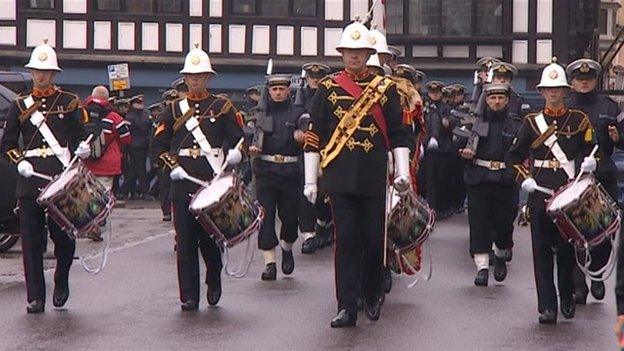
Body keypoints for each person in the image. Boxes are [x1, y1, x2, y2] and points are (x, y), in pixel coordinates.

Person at [302, 20, 412, 327]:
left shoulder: (386, 90)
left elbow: (399, 134)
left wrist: (402, 174)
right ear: (341, 54)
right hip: (339, 177)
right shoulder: (326, 88)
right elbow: (315, 135)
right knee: (347, 239)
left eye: (360, 51)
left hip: (374, 176)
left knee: (375, 240)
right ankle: (346, 305)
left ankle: (372, 293)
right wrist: (311, 180)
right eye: (349, 52)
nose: (354, 57)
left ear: (368, 53)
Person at [0, 41, 91, 313]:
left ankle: (61, 279)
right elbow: (7, 144)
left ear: (54, 74)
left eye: (46, 71)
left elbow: (80, 136)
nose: (40, 76)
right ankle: (35, 297)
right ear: (31, 73)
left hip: (59, 177)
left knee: (63, 237)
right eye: (36, 71)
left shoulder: (69, 102)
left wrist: (83, 149)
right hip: (30, 179)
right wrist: (19, 162)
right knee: (30, 240)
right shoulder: (19, 105)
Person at [151, 45, 244, 311]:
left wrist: (237, 154)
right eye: (190, 75)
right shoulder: (173, 109)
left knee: (210, 240)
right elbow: (157, 146)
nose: (194, 80)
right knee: (186, 242)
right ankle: (189, 296)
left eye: (200, 75)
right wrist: (172, 166)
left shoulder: (222, 106)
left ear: (208, 78)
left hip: (211, 181)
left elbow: (240, 140)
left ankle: (213, 277)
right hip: (182, 182)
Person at [505, 58, 596, 324]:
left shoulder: (579, 120)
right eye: (549, 88)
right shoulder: (531, 122)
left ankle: (566, 295)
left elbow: (593, 150)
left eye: (558, 89)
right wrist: (524, 178)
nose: (553, 93)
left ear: (566, 91)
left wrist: (591, 163)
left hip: (568, 196)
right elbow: (513, 157)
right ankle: (547, 306)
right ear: (542, 91)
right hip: (540, 194)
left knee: (567, 253)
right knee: (541, 252)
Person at [565, 58, 623, 304]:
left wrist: (618, 138)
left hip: (602, 175)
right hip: (575, 175)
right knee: (575, 233)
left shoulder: (609, 107)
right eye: (580, 79)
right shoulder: (566, 107)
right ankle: (579, 285)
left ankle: (597, 272)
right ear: (573, 82)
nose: (584, 82)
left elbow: (622, 142)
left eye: (588, 79)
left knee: (603, 230)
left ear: (595, 80)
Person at [455, 84, 522, 286]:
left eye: (501, 98)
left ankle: (500, 254)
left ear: (507, 100)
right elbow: (458, 146)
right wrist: (465, 154)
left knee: (503, 225)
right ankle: (482, 267)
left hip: (504, 180)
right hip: (480, 179)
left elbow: (522, 152)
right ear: (487, 100)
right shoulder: (473, 123)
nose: (496, 102)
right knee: (479, 224)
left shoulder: (516, 125)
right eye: (492, 98)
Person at [249, 74, 304, 279]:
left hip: (289, 173)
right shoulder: (261, 113)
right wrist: (252, 147)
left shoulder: (297, 112)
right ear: (269, 91)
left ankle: (287, 248)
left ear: (288, 90)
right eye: (274, 89)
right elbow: (252, 136)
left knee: (290, 219)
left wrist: (302, 134)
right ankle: (269, 262)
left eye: (282, 89)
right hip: (266, 173)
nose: (278, 93)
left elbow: (305, 124)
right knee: (265, 217)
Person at [83, 86, 132, 239]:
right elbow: (126, 138)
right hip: (108, 164)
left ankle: (88, 223)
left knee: (89, 194)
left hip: (86, 162)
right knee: (103, 194)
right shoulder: (113, 117)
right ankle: (97, 223)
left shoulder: (82, 112)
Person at [295, 62, 333, 254]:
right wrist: (297, 132)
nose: (315, 80)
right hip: (307, 150)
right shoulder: (301, 97)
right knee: (306, 193)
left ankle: (324, 224)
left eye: (319, 77)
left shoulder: (330, 96)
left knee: (326, 194)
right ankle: (308, 235)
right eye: (312, 77)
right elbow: (296, 118)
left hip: (327, 149)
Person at [120, 95, 152, 200]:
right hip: (134, 146)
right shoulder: (130, 117)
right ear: (133, 104)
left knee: (135, 170)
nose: (140, 105)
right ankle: (144, 192)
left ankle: (123, 191)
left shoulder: (145, 115)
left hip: (143, 145)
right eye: (137, 103)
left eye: (141, 103)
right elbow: (128, 133)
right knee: (140, 170)